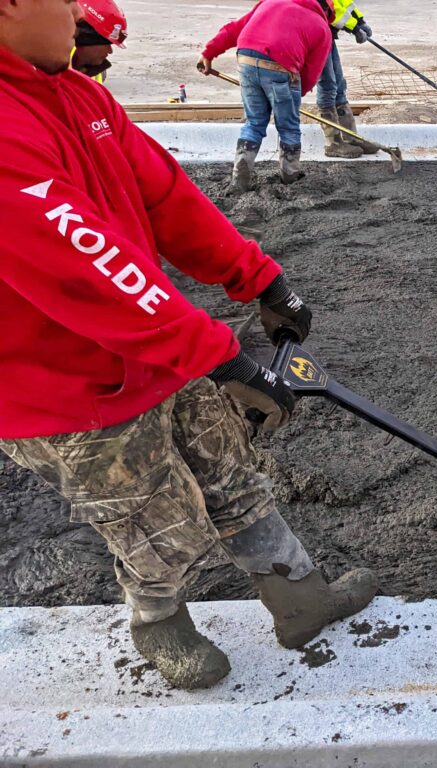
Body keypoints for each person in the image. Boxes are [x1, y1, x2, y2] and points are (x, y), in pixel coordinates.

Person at [0, 0, 377, 690]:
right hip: (62, 390)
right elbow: (86, 267)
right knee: (155, 520)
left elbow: (165, 197)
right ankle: (158, 623)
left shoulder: (77, 95)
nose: (75, 16)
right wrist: (220, 356)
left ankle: (301, 598)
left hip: (151, 352)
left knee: (233, 474)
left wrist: (260, 278)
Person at [198, 0, 336, 191]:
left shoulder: (271, 2)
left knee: (254, 122)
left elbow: (234, 29)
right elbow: (312, 72)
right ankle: (290, 176)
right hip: (281, 65)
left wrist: (209, 52)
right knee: (288, 127)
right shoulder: (321, 27)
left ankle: (240, 174)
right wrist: (293, 95)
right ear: (327, 11)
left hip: (246, 59)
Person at [316, 0, 378, 158]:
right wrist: (354, 28)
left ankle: (350, 137)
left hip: (326, 31)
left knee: (338, 84)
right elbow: (330, 8)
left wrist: (359, 21)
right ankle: (333, 143)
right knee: (328, 85)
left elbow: (342, 2)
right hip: (313, 31)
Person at [70, 0, 126, 83]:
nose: (110, 51)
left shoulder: (96, 71)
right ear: (88, 38)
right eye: (107, 44)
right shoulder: (51, 67)